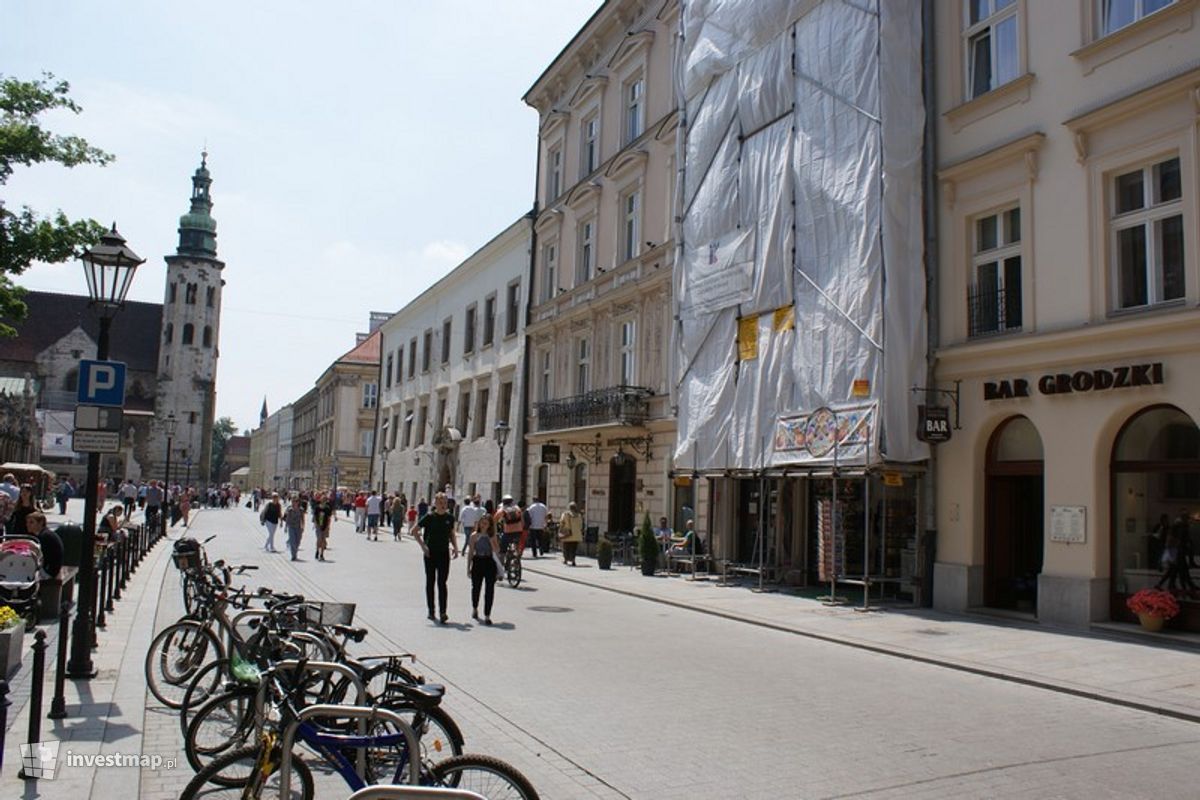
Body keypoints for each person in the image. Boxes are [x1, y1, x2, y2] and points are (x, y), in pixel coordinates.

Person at [412, 492, 459, 623]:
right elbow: (414, 531)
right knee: (430, 582)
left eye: (445, 502)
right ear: (435, 503)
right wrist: (423, 546)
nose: (443, 505)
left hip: (444, 553)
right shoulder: (429, 517)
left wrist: (455, 547)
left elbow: (451, 533)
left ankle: (443, 612)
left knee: (442, 583)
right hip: (430, 553)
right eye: (440, 502)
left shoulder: (450, 517)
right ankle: (431, 611)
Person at [467, 512, 499, 625]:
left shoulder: (493, 536)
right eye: (482, 523)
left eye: (486, 523)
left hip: (489, 562)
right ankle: (475, 608)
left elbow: (497, 550)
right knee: (476, 588)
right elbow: (471, 552)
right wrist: (468, 567)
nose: (484, 525)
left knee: (489, 589)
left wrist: (490, 540)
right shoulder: (474, 536)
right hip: (478, 561)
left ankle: (487, 615)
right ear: (479, 523)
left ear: (490, 525)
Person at [31, 514, 65, 580]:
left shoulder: (44, 537)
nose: (28, 525)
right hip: (54, 569)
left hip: (49, 572)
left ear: (40, 523)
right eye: (27, 522)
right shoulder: (46, 533)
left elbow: (42, 558)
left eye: (32, 522)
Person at [558, 501, 583, 566]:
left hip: (567, 534)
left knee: (566, 548)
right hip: (576, 535)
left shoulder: (566, 514)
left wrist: (561, 529)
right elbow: (580, 525)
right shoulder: (579, 515)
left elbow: (561, 522)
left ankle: (566, 560)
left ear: (569, 507)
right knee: (573, 548)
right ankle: (573, 561)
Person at [284, 496, 306, 561]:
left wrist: (303, 527)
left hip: (298, 527)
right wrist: (286, 527)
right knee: (292, 541)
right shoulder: (290, 509)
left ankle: (295, 552)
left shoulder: (301, 509)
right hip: (291, 527)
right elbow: (287, 519)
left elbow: (303, 519)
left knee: (298, 542)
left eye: (296, 501)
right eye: (293, 501)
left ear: (298, 502)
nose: (294, 503)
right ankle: (293, 555)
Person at [313, 492, 334, 561]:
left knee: (323, 540)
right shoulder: (317, 507)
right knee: (319, 539)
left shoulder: (327, 508)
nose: (324, 501)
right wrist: (316, 525)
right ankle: (317, 551)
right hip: (318, 525)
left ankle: (322, 554)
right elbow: (315, 517)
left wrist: (328, 526)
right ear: (320, 500)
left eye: (325, 500)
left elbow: (328, 518)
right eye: (323, 500)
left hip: (325, 526)